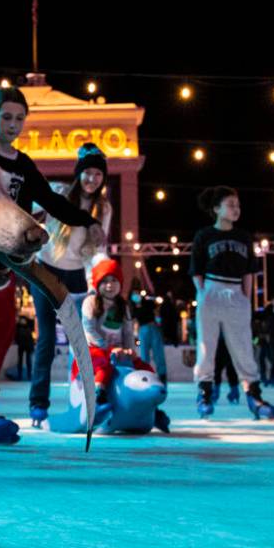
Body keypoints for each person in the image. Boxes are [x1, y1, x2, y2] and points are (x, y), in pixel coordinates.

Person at [0, 85, 98, 445]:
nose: (13, 125)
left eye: (20, 119)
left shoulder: (22, 165)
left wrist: (86, 220)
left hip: (7, 256)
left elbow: (52, 201)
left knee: (5, 325)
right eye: (6, 117)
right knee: (3, 320)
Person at [27, 144, 110, 426]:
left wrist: (101, 275)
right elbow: (28, 204)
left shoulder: (103, 208)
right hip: (44, 270)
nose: (92, 179)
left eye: (98, 175)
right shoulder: (59, 193)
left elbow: (98, 250)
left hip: (75, 277)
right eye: (88, 173)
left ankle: (83, 398)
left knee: (80, 342)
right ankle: (38, 404)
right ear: (79, 173)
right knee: (47, 341)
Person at [190, 186, 274, 421]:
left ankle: (254, 396)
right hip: (211, 289)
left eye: (238, 205)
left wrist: (245, 297)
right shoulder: (204, 235)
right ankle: (205, 394)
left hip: (236, 292)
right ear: (216, 209)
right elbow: (196, 268)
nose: (236, 209)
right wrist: (203, 292)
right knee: (207, 347)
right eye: (230, 205)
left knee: (243, 347)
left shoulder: (243, 237)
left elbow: (249, 271)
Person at [79, 259, 170, 433]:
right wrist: (107, 347)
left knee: (145, 367)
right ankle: (99, 400)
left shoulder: (124, 306)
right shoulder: (90, 302)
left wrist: (131, 352)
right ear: (97, 283)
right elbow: (88, 329)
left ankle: (152, 409)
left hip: (119, 351)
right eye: (105, 281)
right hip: (96, 350)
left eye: (114, 281)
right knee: (104, 368)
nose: (109, 285)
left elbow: (128, 333)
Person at [135, 297, 167, 386]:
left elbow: (136, 319)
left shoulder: (139, 309)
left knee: (144, 354)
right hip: (153, 328)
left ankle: (145, 376)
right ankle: (162, 376)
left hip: (144, 329)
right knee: (158, 354)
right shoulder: (153, 308)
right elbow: (158, 320)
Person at [212, 335, 240, 404]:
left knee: (218, 370)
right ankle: (234, 392)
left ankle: (215, 394)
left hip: (221, 343)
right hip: (231, 342)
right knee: (231, 370)